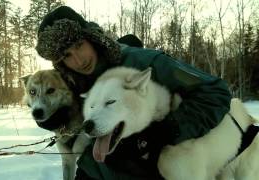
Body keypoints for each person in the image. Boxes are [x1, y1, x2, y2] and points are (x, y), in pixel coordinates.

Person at [36, 6, 232, 180]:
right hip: (97, 169)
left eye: (79, 46)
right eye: (66, 56)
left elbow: (214, 92)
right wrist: (52, 119)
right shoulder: (77, 80)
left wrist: (165, 131)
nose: (78, 61)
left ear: (91, 38)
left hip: (161, 167)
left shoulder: (146, 62)